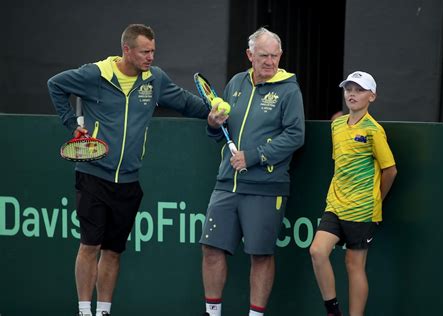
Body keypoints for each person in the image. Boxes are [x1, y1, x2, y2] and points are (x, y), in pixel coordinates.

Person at [47, 24, 211, 316]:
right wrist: (72, 125)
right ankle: (85, 310)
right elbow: (55, 85)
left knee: (113, 251)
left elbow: (185, 103)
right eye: (144, 51)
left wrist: (212, 113)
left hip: (129, 181)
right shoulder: (95, 74)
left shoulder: (155, 79)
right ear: (127, 50)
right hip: (94, 175)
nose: (150, 57)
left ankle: (104, 311)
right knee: (90, 245)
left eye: (153, 51)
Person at [200, 27, 305, 316]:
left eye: (274, 55)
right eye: (263, 56)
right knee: (211, 249)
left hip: (266, 186)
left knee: (260, 255)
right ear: (250, 55)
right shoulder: (235, 83)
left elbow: (296, 135)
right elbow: (221, 133)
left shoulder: (289, 90)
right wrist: (213, 123)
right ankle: (212, 313)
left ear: (280, 55)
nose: (270, 61)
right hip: (226, 184)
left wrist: (255, 156)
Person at [309, 71, 397, 316]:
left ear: (372, 96)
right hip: (334, 204)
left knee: (353, 265)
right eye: (349, 89)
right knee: (317, 251)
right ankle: (333, 310)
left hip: (362, 209)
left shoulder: (374, 131)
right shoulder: (336, 125)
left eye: (359, 90)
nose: (352, 94)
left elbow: (390, 170)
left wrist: (376, 199)